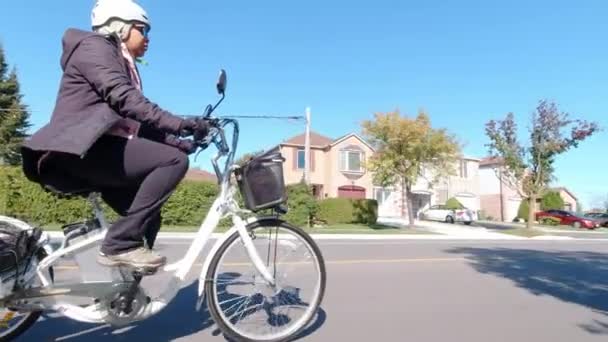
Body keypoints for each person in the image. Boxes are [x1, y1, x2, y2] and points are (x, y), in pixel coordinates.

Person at [20, 0, 208, 270]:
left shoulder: (120, 61)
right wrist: (180, 124)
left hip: (97, 150)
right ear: (120, 27)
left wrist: (183, 142)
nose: (147, 38)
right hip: (78, 151)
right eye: (143, 29)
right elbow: (126, 100)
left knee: (148, 219)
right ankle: (118, 245)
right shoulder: (95, 47)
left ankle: (122, 296)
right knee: (173, 161)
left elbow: (133, 122)